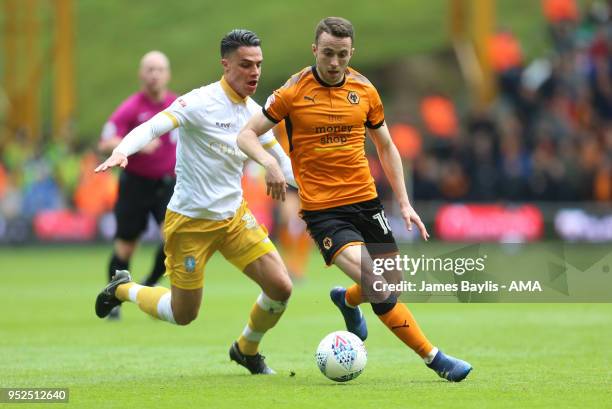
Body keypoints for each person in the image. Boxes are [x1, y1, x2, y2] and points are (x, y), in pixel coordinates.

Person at [236, 17, 472, 382]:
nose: (334, 62)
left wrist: (405, 203)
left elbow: (386, 146)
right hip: (324, 212)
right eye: (327, 53)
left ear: (351, 53)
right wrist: (270, 163)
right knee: (377, 285)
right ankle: (435, 358)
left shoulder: (364, 90)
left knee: (390, 282)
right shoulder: (292, 92)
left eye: (342, 55)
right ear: (315, 49)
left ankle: (346, 300)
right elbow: (247, 135)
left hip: (366, 203)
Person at [94, 29, 295, 375]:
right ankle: (124, 288)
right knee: (184, 315)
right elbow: (154, 126)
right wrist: (122, 150)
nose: (255, 73)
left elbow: (284, 163)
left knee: (281, 287)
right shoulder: (199, 102)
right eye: (246, 65)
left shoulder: (256, 113)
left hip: (234, 219)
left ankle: (246, 348)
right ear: (225, 64)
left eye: (259, 65)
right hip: (190, 224)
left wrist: (317, 191)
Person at [98, 51, 177, 319]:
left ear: (167, 74)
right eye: (149, 69)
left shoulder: (177, 104)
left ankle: (150, 284)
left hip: (167, 185)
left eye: (159, 69)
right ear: (141, 74)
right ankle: (114, 298)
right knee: (125, 246)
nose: (154, 75)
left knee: (173, 240)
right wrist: (135, 146)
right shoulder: (131, 107)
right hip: (135, 184)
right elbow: (106, 141)